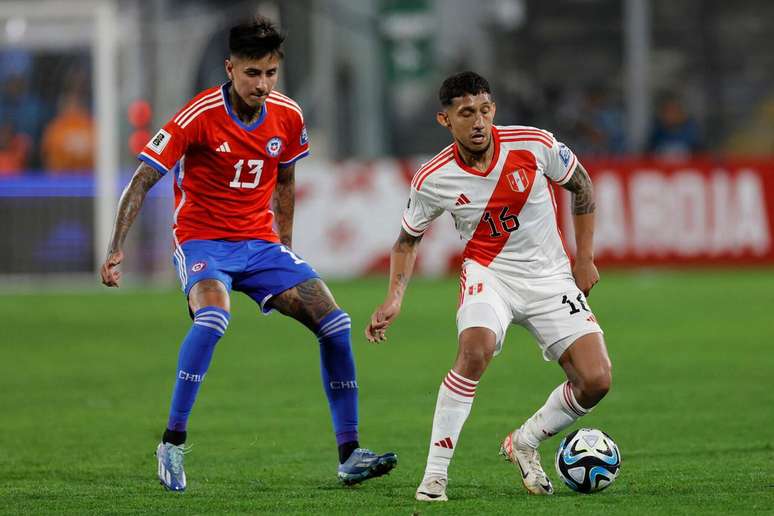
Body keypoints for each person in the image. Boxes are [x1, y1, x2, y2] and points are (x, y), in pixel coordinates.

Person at [100, 17, 396, 492]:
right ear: (230, 68)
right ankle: (172, 444)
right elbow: (143, 178)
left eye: (271, 73)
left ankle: (349, 453)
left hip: (260, 245)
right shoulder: (197, 116)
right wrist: (116, 248)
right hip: (202, 241)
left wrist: (286, 246)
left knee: (336, 324)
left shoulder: (288, 115)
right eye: (252, 73)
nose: (263, 84)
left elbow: (285, 178)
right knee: (214, 319)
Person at [366, 71, 611, 501]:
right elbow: (407, 240)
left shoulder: (534, 143)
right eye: (466, 113)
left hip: (550, 275)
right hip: (488, 275)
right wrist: (394, 297)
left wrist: (585, 257)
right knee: (475, 349)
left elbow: (582, 185)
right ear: (445, 120)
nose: (478, 121)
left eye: (484, 110)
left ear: (493, 108)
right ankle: (435, 477)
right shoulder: (433, 178)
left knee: (596, 380)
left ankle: (525, 441)